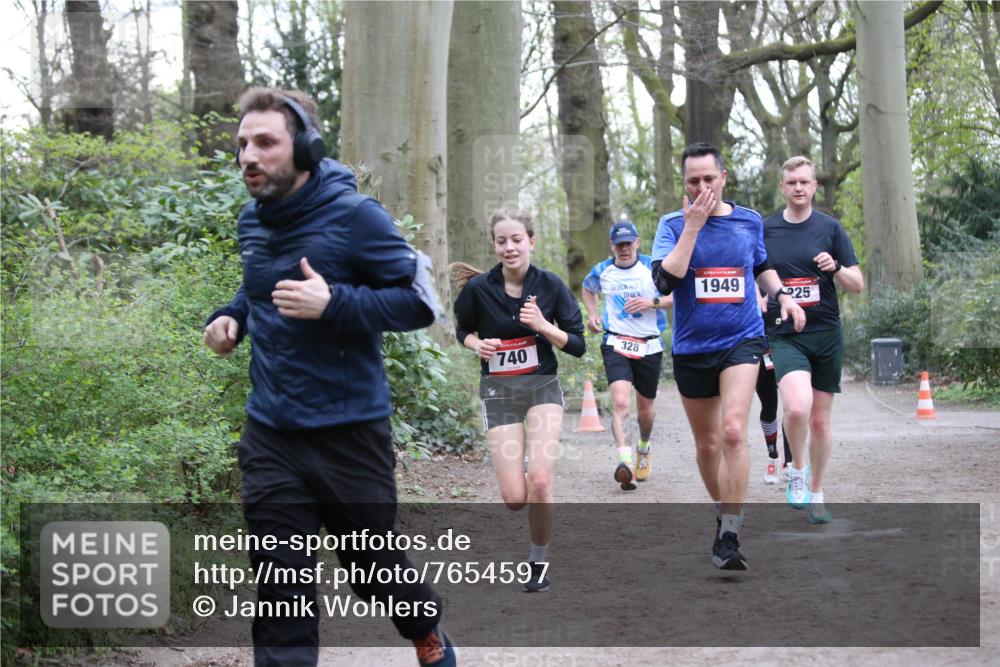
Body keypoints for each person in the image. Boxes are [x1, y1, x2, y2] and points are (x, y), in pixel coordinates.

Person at [203, 87, 455, 667]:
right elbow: (256, 286)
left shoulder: (355, 217)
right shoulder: (252, 221)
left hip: (349, 434)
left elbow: (420, 304)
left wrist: (335, 302)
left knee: (376, 574)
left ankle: (426, 632)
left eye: (265, 142)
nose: (248, 155)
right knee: (279, 588)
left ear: (307, 147)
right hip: (271, 433)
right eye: (242, 144)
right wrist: (230, 317)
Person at [651, 142, 805, 570]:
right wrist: (692, 228)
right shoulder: (671, 225)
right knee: (709, 443)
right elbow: (665, 282)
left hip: (742, 339)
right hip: (692, 347)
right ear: (684, 184)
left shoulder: (748, 221)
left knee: (735, 432)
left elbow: (759, 266)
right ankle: (722, 511)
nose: (702, 187)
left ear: (724, 177)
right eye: (693, 181)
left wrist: (783, 296)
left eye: (708, 178)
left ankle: (731, 534)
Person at [451, 208, 585, 593]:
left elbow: (577, 344)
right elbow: (463, 329)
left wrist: (544, 326)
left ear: (531, 241)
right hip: (499, 393)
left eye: (516, 239)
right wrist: (478, 344)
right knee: (514, 498)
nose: (509, 247)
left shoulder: (551, 285)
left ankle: (538, 561)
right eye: (501, 241)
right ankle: (522, 464)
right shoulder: (478, 290)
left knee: (540, 481)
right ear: (494, 245)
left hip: (542, 386)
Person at [763, 156, 864, 523]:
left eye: (805, 182)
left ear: (814, 185)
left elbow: (857, 284)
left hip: (826, 334)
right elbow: (756, 273)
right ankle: (797, 469)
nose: (799, 188)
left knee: (820, 421)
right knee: (796, 407)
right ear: (783, 187)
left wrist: (835, 268)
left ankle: (817, 492)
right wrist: (765, 294)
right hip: (786, 334)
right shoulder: (767, 228)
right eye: (792, 183)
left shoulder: (831, 229)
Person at [581, 219, 671, 490]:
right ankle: (625, 463)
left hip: (649, 345)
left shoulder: (652, 268)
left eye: (628, 243)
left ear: (637, 242)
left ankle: (643, 446)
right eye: (619, 245)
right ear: (611, 246)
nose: (624, 249)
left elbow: (678, 296)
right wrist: (593, 314)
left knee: (645, 410)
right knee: (620, 403)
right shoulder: (602, 271)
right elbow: (587, 288)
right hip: (616, 343)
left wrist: (651, 302)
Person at [754, 289, 792, 484]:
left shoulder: (784, 276)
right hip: (760, 350)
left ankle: (790, 462)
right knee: (769, 407)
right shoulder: (751, 274)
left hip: (787, 346)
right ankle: (773, 457)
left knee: (791, 407)